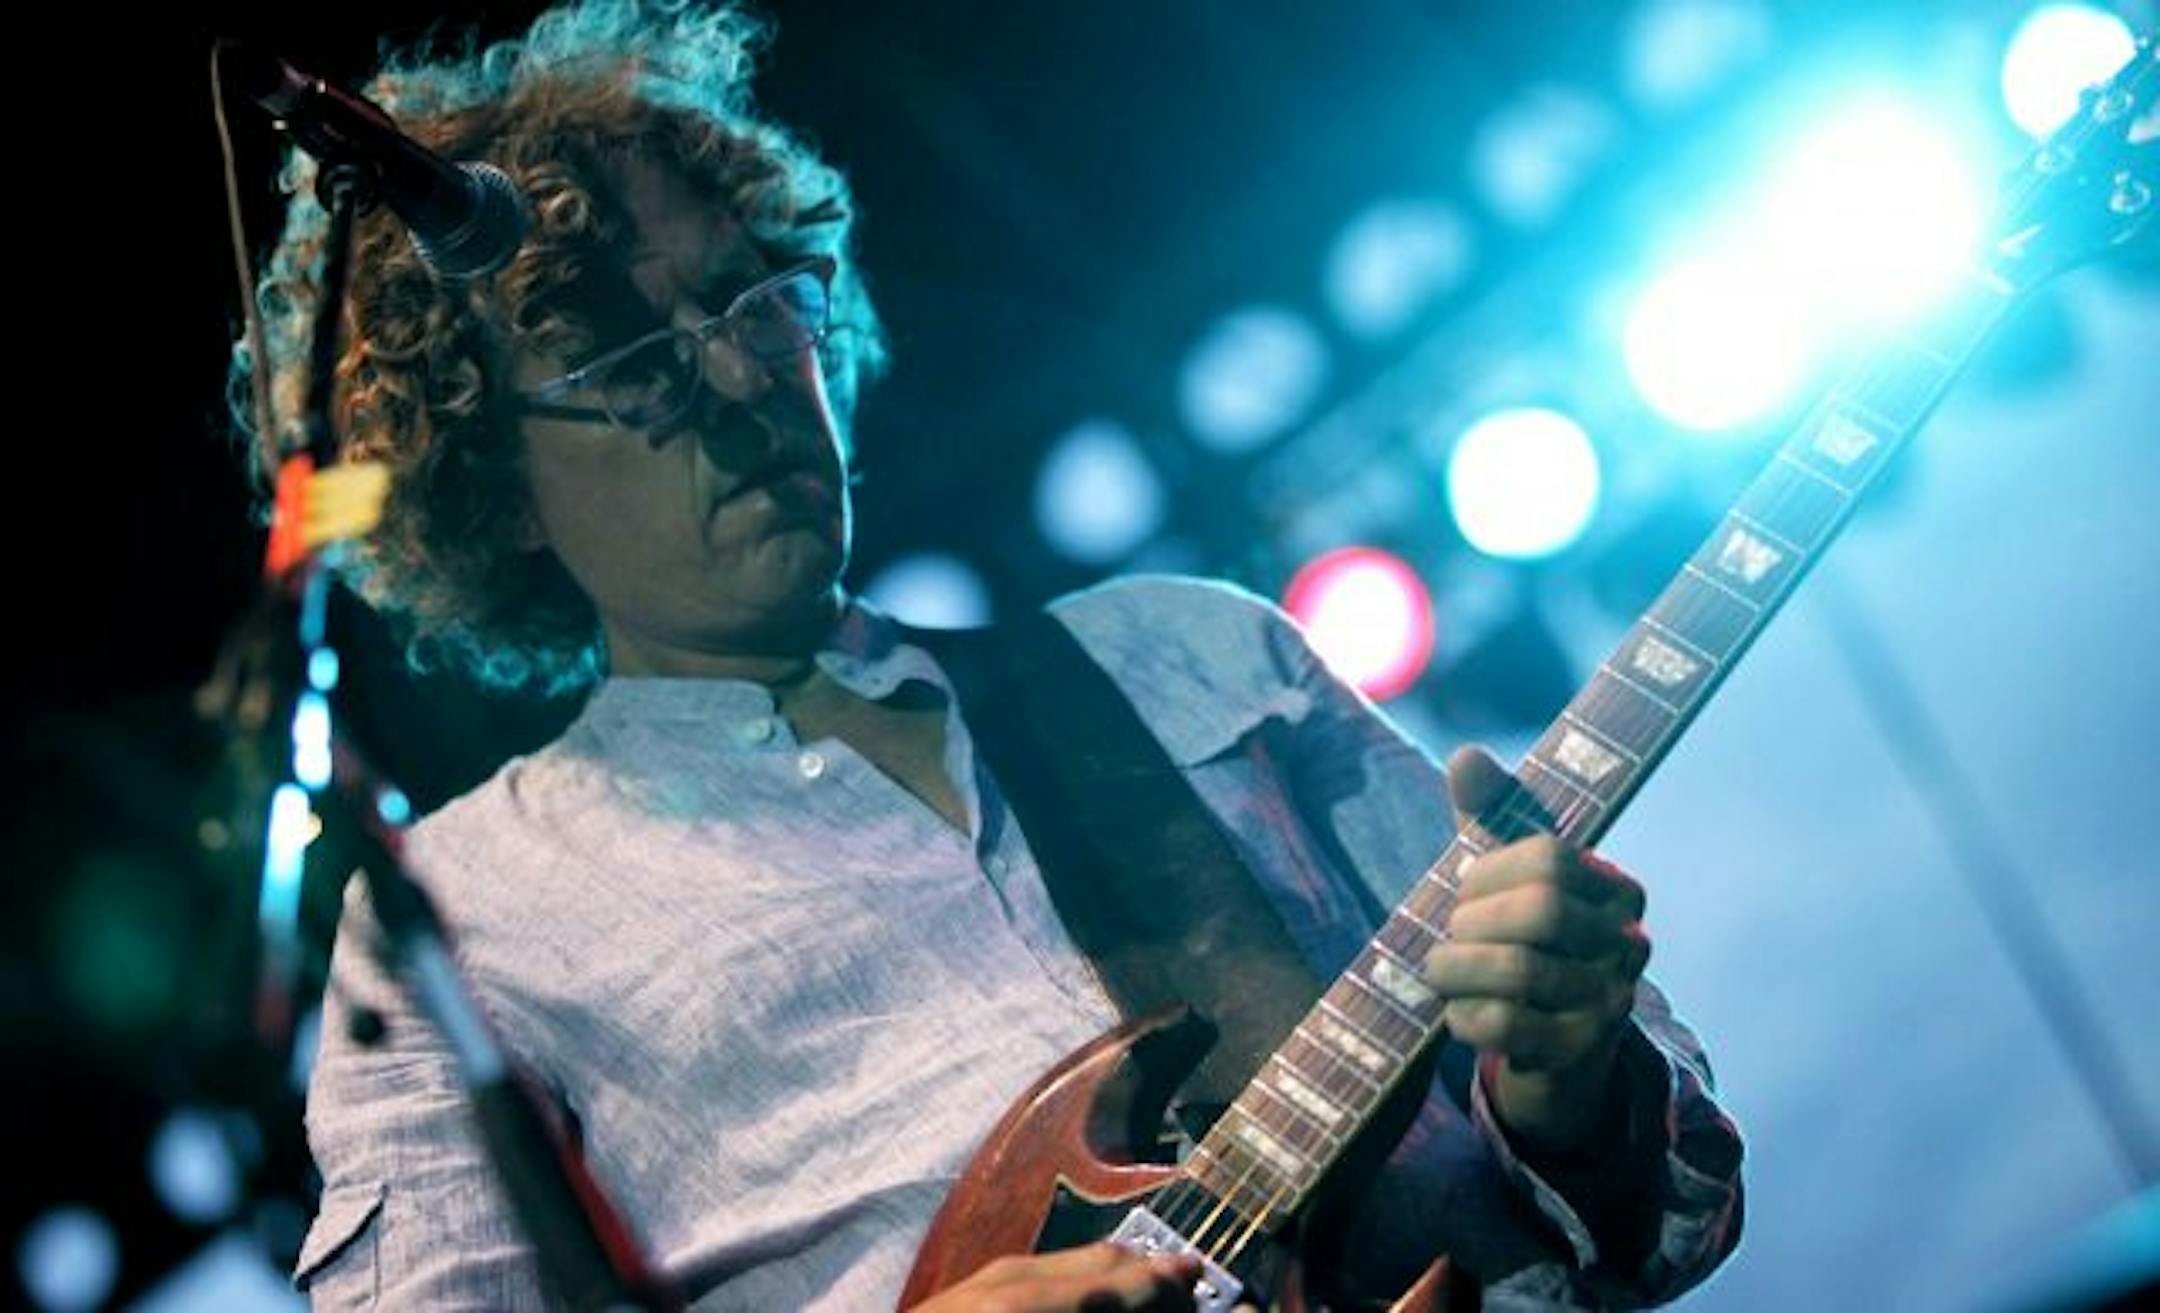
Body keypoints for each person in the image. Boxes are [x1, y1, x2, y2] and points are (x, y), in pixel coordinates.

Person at [239, 3, 1744, 1308]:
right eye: (634, 365)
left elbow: (1674, 1219)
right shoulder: (460, 923)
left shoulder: (1192, 655)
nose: (735, 376)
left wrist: (1573, 1080)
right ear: (490, 484)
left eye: (756, 301)